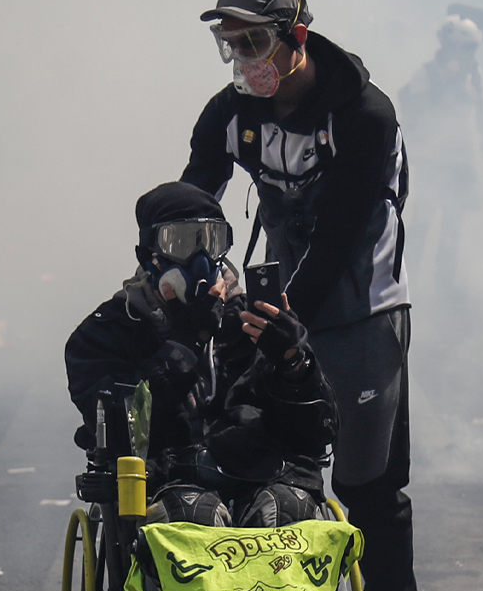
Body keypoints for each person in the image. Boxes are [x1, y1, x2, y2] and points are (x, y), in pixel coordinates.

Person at [178, 0, 415, 591]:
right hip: (278, 306)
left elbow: (341, 236)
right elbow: (195, 197)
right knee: (269, 467)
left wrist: (281, 323)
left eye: (254, 43)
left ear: (297, 38)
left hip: (361, 311)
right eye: (230, 44)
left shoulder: (365, 114)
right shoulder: (230, 111)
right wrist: (184, 268)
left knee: (367, 482)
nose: (243, 61)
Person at [65, 183, 339, 532]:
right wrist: (184, 347)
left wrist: (292, 364)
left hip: (260, 475)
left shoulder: (254, 323)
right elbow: (124, 427)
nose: (200, 260)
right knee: (193, 518)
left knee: (288, 512)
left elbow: (320, 431)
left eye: (210, 241)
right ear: (146, 254)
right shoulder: (106, 334)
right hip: (167, 482)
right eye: (179, 243)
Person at [398, 16, 483, 292]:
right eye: (466, 49)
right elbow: (410, 103)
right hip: (432, 159)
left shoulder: (472, 74)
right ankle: (407, 280)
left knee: (454, 224)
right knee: (424, 221)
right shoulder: (428, 72)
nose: (470, 56)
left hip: (460, 160)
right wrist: (442, 82)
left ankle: (445, 284)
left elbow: (481, 104)